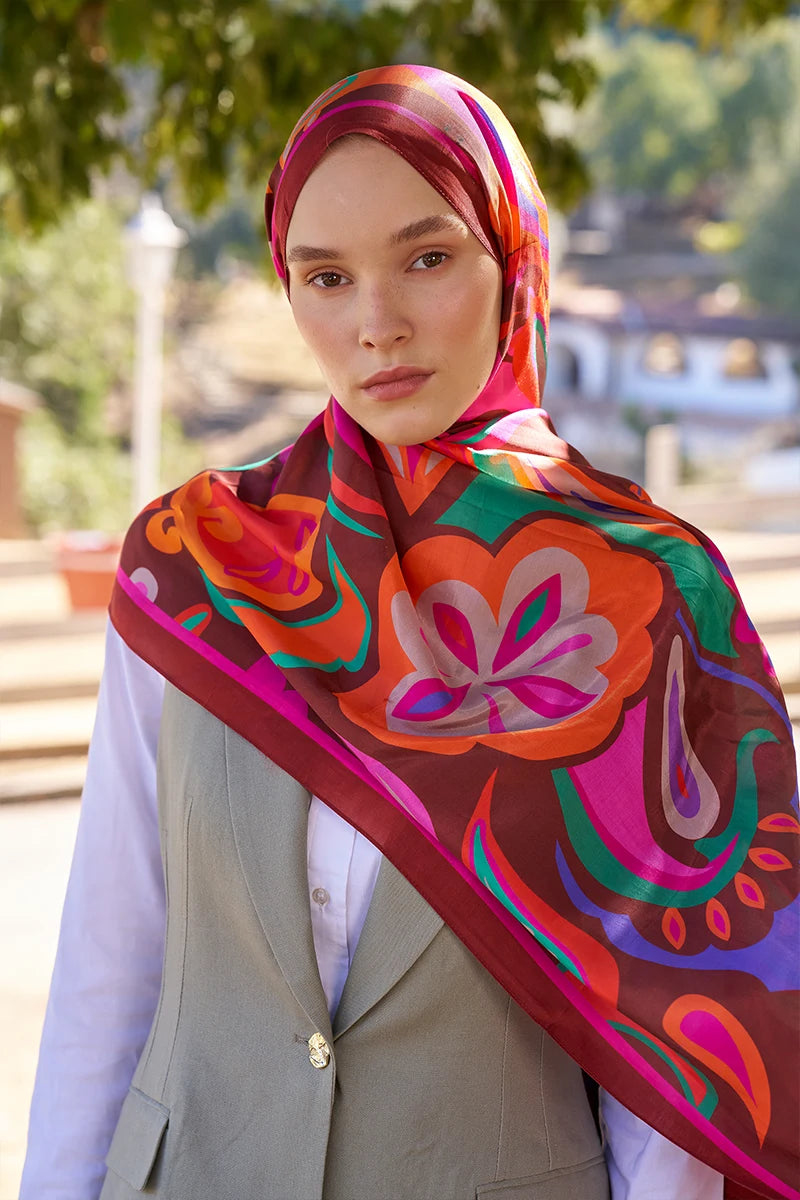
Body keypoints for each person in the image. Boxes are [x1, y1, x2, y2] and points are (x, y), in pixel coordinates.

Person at [21, 65, 798, 1200]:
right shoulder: (195, 564)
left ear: (511, 258)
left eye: (425, 258)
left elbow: (678, 1044)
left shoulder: (650, 593)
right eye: (325, 277)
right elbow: (111, 955)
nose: (373, 325)